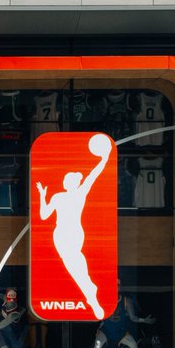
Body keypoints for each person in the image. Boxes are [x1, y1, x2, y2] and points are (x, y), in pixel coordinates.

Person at [36, 132, 112, 320]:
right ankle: (91, 295)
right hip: (60, 235)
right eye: (65, 180)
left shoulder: (80, 193)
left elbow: (94, 175)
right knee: (75, 266)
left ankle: (91, 293)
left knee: (76, 265)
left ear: (72, 182)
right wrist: (41, 195)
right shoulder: (58, 196)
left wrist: (105, 158)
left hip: (74, 234)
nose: (65, 181)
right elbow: (44, 216)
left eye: (68, 180)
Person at [89, 279, 155, 348]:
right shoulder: (104, 299)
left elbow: (133, 317)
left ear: (120, 287)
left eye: (117, 285)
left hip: (120, 331)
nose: (115, 287)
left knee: (133, 344)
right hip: (106, 330)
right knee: (98, 343)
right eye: (113, 285)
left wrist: (144, 320)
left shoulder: (126, 300)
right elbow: (98, 315)